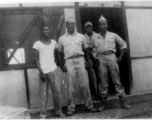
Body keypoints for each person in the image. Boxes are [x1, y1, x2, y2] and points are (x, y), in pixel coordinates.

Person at [57, 17, 98, 116]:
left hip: (80, 59)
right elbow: (58, 52)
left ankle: (89, 105)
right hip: (69, 61)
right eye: (69, 24)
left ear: (75, 25)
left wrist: (88, 61)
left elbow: (87, 49)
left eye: (73, 24)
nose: (71, 26)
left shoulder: (81, 36)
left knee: (85, 83)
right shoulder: (62, 38)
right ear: (66, 26)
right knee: (71, 86)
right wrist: (62, 64)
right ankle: (71, 108)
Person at [91, 15, 130, 112]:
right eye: (100, 24)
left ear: (107, 25)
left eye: (104, 24)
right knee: (103, 81)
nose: (102, 25)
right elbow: (93, 50)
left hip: (112, 56)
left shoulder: (113, 35)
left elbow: (123, 44)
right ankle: (103, 104)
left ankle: (122, 101)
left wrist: (120, 56)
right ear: (98, 26)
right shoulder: (95, 37)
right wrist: (95, 58)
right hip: (101, 58)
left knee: (116, 79)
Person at [33, 25, 65, 118]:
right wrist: (41, 72)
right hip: (43, 71)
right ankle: (43, 114)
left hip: (53, 70)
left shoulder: (54, 42)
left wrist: (61, 64)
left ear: (49, 31)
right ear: (41, 32)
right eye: (44, 30)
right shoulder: (37, 44)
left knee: (57, 92)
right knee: (43, 94)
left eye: (47, 29)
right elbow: (36, 59)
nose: (46, 31)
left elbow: (58, 53)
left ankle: (58, 112)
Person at [84, 21, 100, 100]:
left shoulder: (97, 35)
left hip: (98, 58)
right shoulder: (83, 37)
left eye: (90, 26)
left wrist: (96, 57)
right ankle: (96, 94)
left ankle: (101, 94)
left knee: (100, 76)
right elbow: (86, 49)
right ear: (85, 28)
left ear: (92, 27)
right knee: (93, 78)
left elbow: (99, 47)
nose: (88, 28)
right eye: (87, 27)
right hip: (89, 59)